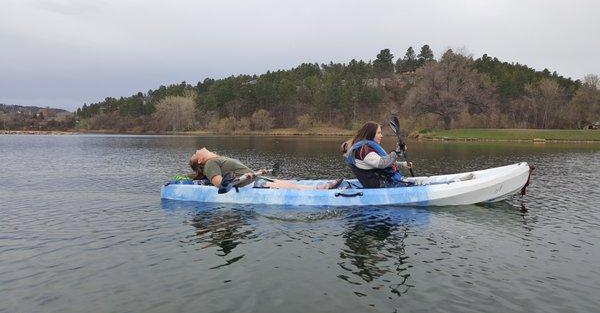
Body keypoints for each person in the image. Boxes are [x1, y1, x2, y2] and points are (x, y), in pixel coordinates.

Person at [343, 121, 473, 188]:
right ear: (371, 134)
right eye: (379, 133)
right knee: (419, 184)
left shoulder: (366, 148)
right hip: (380, 185)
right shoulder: (363, 150)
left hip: (382, 182)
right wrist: (397, 152)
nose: (381, 135)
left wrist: (402, 163)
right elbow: (381, 164)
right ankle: (456, 183)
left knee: (421, 182)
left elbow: (378, 163)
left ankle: (453, 181)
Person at [189, 148, 343, 190]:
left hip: (256, 180)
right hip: (251, 185)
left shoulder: (216, 159)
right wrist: (242, 179)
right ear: (201, 160)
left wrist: (257, 172)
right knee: (288, 186)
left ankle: (318, 187)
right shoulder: (209, 164)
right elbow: (220, 184)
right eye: (196, 153)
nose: (198, 150)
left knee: (288, 183)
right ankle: (320, 189)